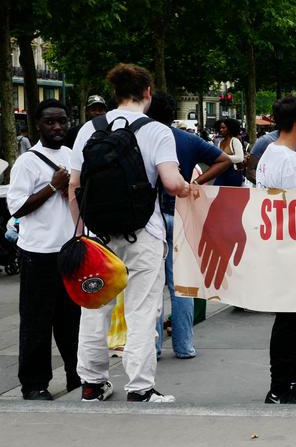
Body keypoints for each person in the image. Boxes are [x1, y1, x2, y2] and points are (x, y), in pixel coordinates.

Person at [69, 63, 192, 403]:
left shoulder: (88, 129)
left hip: (98, 237)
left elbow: (74, 186)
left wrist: (79, 232)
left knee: (94, 309)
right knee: (142, 309)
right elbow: (170, 183)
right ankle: (140, 386)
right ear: (148, 93)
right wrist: (186, 187)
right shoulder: (157, 131)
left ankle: (92, 383)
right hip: (145, 233)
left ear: (115, 93)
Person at [147, 93, 233, 359]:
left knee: (151, 286)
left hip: (151, 217)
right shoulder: (186, 139)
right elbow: (224, 160)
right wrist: (196, 183)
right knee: (180, 284)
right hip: (180, 213)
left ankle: (154, 346)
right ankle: (184, 346)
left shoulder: (143, 137)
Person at [8, 99, 79, 400]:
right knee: (37, 322)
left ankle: (79, 375)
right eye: (50, 122)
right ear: (38, 125)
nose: (57, 127)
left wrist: (72, 190)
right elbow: (18, 208)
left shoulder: (72, 155)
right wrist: (51, 187)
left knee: (72, 321)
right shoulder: (27, 162)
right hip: (38, 254)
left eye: (62, 121)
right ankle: (34, 384)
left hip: (70, 250)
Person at [256, 96, 296, 404]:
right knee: (292, 318)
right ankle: (281, 385)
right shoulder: (290, 161)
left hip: (279, 246)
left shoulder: (270, 152)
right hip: (294, 249)